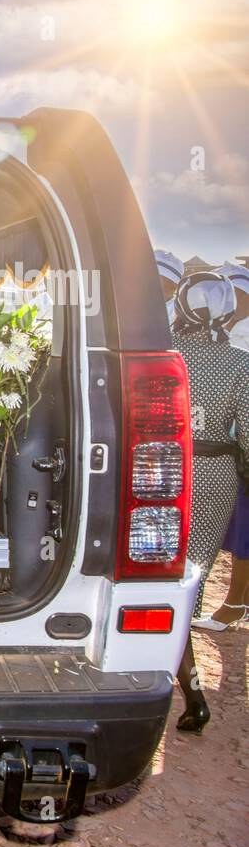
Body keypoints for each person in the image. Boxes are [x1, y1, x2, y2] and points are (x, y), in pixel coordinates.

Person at [168, 264, 247, 733]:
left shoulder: (159, 352)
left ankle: (190, 691)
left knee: (153, 572)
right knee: (189, 580)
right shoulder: (240, 364)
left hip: (156, 468)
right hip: (215, 478)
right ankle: (191, 693)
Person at [204, 261, 249, 629]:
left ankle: (235, 604)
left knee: (243, 531)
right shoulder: (220, 335)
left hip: (234, 446)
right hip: (226, 446)